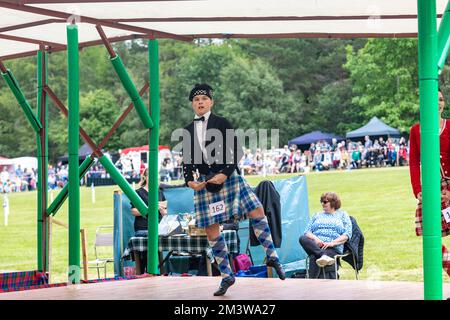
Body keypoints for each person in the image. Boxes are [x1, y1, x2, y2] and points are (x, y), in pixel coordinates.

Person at [182, 83, 285, 296]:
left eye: (203, 99)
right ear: (192, 104)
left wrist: (224, 173)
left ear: (211, 102)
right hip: (205, 183)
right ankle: (227, 276)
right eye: (196, 100)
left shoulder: (221, 122)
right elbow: (187, 161)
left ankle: (272, 256)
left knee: (256, 210)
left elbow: (236, 151)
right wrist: (189, 181)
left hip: (228, 178)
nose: (200, 102)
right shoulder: (187, 130)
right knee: (211, 229)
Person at [409, 89, 450, 277]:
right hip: (431, 189)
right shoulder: (416, 130)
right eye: (435, 100)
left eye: (441, 99)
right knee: (430, 237)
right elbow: (413, 162)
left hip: (449, 187)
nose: (439, 103)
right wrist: (418, 189)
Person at [299, 192, 352, 279]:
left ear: (333, 202)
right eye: (322, 202)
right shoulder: (317, 215)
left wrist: (332, 243)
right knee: (302, 238)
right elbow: (307, 232)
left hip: (332, 248)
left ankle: (311, 283)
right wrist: (316, 239)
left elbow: (347, 234)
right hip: (315, 245)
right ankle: (322, 255)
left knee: (313, 257)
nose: (322, 204)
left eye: (325, 202)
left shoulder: (342, 215)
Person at [130, 168, 167, 237]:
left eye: (157, 178)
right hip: (143, 229)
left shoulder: (159, 192)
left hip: (159, 228)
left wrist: (162, 210)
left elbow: (165, 213)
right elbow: (133, 211)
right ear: (146, 178)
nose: (156, 180)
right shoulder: (138, 192)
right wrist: (151, 208)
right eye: (153, 177)